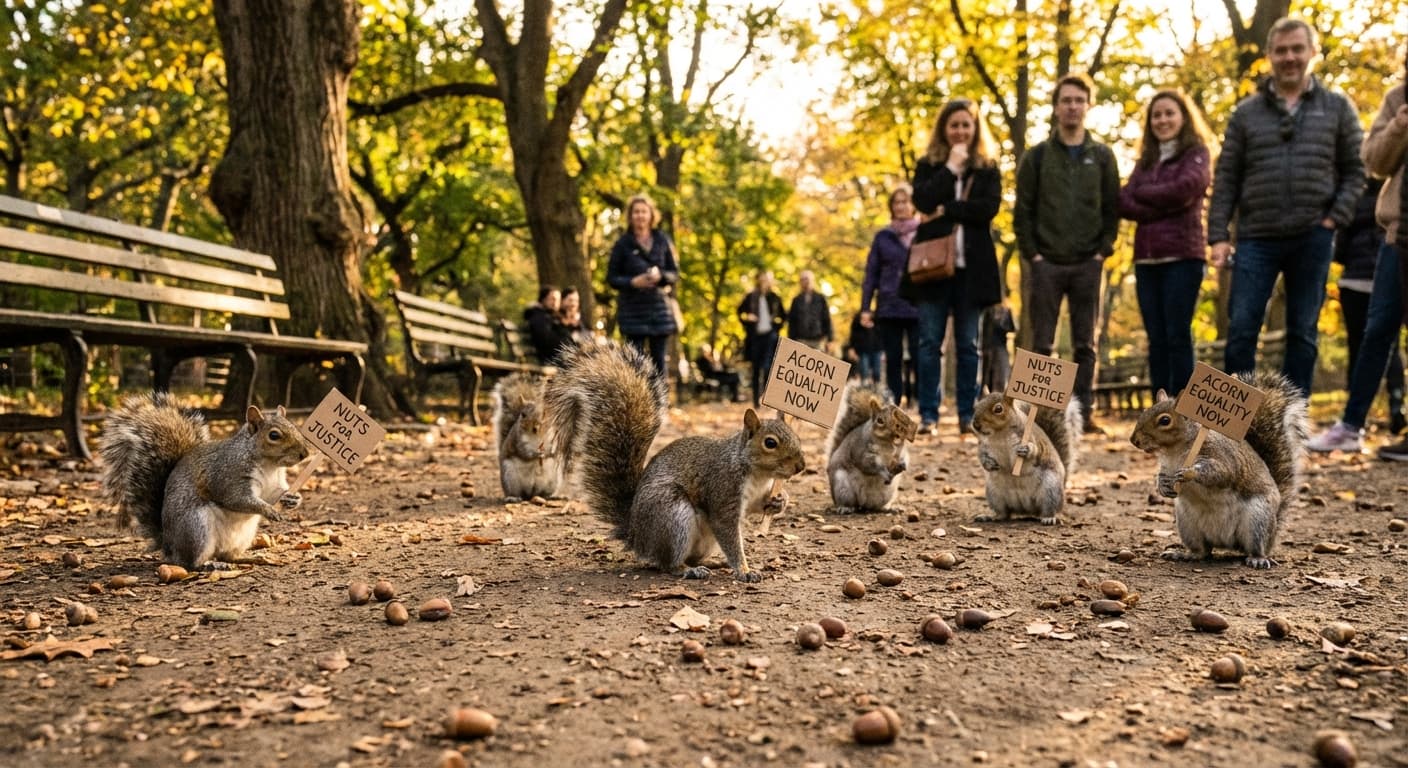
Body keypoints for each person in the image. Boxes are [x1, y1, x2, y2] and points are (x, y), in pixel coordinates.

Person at [1207, 17, 1366, 397]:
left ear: (1314, 52)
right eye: (1281, 50)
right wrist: (1218, 236)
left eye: (1297, 49)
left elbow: (1357, 171)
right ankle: (1235, 428)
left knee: (1303, 333)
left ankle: (1290, 425)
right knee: (1242, 327)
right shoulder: (1246, 113)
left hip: (1313, 234)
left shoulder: (1338, 108)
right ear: (1269, 56)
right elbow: (1226, 176)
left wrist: (1333, 219)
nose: (1289, 57)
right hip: (1256, 237)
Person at [1308, 58, 1408, 460]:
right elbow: (1374, 162)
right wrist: (1399, 126)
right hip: (1398, 233)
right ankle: (1351, 426)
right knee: (1378, 329)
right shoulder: (1397, 98)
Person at [1013, 73, 1120, 433]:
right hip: (1046, 263)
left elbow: (1112, 207)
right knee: (1041, 343)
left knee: (1085, 343)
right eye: (1066, 100)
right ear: (1056, 107)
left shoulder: (1102, 156)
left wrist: (1102, 251)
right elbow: (1022, 211)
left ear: (1088, 106)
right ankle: (1041, 415)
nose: (1072, 106)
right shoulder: (1038, 157)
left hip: (1088, 262)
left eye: (1079, 100)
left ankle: (1083, 414)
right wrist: (1034, 256)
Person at [906, 98, 1003, 435]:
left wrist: (948, 209)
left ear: (975, 128)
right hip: (933, 268)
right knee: (930, 343)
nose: (960, 131)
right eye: (954, 125)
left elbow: (987, 209)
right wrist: (950, 169)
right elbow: (921, 200)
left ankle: (967, 414)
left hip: (971, 271)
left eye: (966, 124)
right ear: (944, 130)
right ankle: (929, 415)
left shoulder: (988, 167)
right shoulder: (929, 164)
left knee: (969, 344)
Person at [1117, 89, 1215, 398]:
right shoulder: (1145, 160)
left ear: (1183, 117)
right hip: (1147, 260)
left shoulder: (1197, 153)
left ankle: (1183, 406)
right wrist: (1163, 199)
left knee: (1177, 335)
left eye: (1169, 113)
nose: (1163, 120)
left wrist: (1146, 194)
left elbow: (1185, 190)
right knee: (1155, 338)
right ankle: (1159, 407)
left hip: (1183, 257)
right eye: (1156, 115)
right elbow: (1123, 201)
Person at [606, 194, 680, 383]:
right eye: (636, 212)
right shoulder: (622, 244)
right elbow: (611, 278)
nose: (640, 215)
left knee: (658, 363)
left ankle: (660, 408)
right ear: (630, 216)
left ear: (651, 215)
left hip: (658, 310)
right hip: (632, 311)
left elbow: (674, 273)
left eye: (644, 211)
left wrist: (661, 276)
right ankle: (637, 407)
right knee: (634, 363)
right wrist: (632, 282)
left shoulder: (663, 240)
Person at [861, 186, 921, 407]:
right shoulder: (883, 237)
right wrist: (865, 307)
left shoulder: (923, 233)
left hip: (918, 305)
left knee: (920, 357)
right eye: (897, 202)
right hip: (889, 306)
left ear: (913, 205)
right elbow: (871, 274)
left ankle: (923, 405)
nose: (901, 206)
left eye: (905, 201)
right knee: (893, 359)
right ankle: (894, 404)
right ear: (891, 207)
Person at [737, 269, 785, 407]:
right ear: (758, 280)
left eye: (767, 279)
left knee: (768, 367)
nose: (765, 282)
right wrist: (747, 319)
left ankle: (766, 397)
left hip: (770, 337)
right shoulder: (751, 296)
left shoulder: (775, 297)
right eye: (763, 279)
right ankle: (755, 401)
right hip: (755, 337)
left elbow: (783, 316)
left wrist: (776, 326)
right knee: (756, 368)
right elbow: (740, 312)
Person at [787, 270, 834, 351]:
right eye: (803, 279)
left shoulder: (821, 298)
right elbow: (792, 321)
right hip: (800, 340)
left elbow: (827, 319)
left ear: (812, 280)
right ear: (800, 282)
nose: (806, 281)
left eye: (807, 279)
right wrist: (791, 341)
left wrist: (830, 339)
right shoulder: (796, 300)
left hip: (818, 341)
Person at [523, 285, 562, 363]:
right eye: (552, 299)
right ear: (543, 299)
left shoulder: (547, 317)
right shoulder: (538, 317)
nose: (555, 303)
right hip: (546, 361)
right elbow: (546, 343)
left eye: (558, 300)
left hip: (550, 359)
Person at [849, 310, 883, 386]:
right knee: (864, 370)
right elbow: (853, 338)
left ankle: (876, 386)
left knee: (877, 371)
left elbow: (881, 338)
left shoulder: (877, 324)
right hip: (863, 351)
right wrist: (852, 349)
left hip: (876, 350)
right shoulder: (857, 326)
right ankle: (865, 387)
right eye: (863, 318)